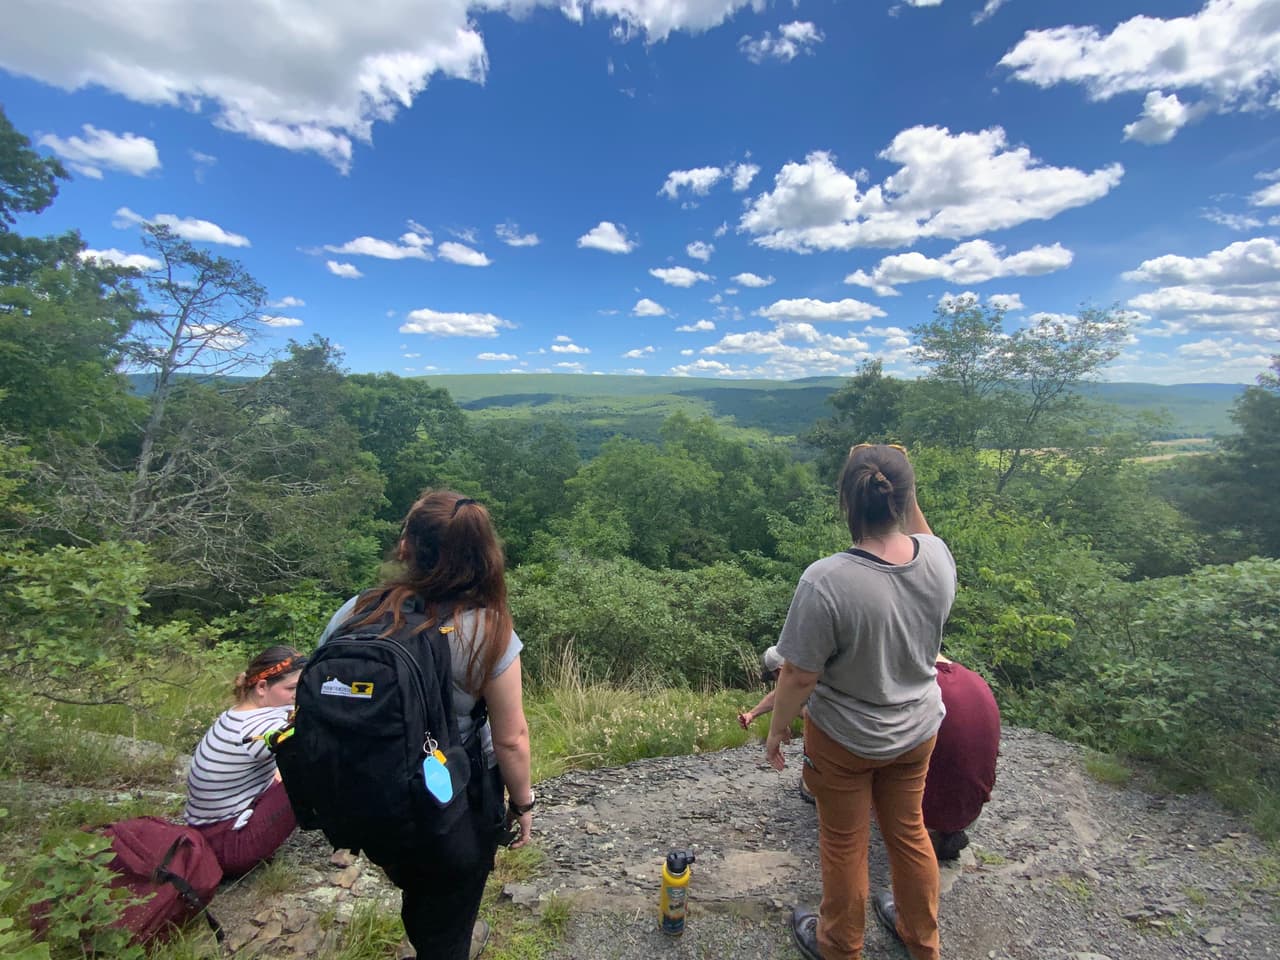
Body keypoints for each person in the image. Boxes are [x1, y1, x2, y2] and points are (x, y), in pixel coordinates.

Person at [317, 490, 533, 960]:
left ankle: (427, 928)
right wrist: (523, 803)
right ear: (483, 556)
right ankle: (442, 943)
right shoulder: (489, 630)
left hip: (371, 792)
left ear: (406, 548)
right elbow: (511, 740)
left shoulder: (359, 610)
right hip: (455, 801)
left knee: (414, 876)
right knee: (447, 906)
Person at [765, 444, 955, 960]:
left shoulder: (826, 579)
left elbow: (800, 673)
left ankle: (841, 947)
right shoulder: (937, 558)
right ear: (905, 496)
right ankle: (924, 941)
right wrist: (904, 474)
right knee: (909, 832)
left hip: (846, 740)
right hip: (917, 730)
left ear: (847, 502)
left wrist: (778, 728)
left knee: (845, 844)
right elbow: (923, 534)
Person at [184, 645, 304, 877]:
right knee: (308, 771)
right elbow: (317, 746)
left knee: (288, 768)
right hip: (230, 848)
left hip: (205, 833)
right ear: (262, 687)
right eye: (291, 688)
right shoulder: (259, 729)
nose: (297, 695)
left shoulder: (237, 715)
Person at [925, 654, 1000, 861]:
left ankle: (927, 830)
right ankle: (947, 832)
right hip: (971, 810)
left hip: (922, 811)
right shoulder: (975, 680)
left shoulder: (916, 681)